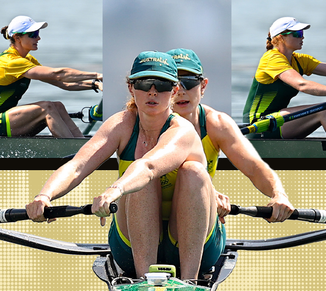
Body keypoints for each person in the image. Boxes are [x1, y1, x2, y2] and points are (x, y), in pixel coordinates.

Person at [26, 51, 225, 281]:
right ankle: (144, 281)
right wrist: (44, 196)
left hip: (196, 245)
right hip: (133, 244)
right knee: (139, 184)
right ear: (131, 88)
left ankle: (191, 280)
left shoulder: (182, 131)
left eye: (161, 84)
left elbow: (149, 166)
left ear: (174, 90)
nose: (152, 91)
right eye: (143, 83)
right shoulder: (121, 124)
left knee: (193, 172)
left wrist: (115, 190)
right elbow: (78, 166)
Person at [167, 48, 294, 223]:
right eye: (173, 84)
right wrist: (206, 192)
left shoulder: (217, 124)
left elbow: (254, 167)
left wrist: (278, 194)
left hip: (189, 218)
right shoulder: (146, 123)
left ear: (203, 86)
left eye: (188, 82)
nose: (181, 91)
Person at [0, 15, 102, 138]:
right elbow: (57, 74)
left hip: (5, 120)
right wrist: (98, 75)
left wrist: (94, 84)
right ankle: (73, 151)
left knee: (58, 106)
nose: (38, 38)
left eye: (38, 33)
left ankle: (80, 145)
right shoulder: (9, 62)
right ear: (17, 37)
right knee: (47, 107)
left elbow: (64, 83)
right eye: (33, 35)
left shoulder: (27, 59)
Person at [242, 16, 326, 140]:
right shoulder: (271, 59)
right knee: (324, 110)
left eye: (302, 33)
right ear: (281, 37)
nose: (302, 37)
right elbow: (302, 85)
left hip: (280, 120)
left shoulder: (300, 60)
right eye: (297, 33)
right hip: (259, 125)